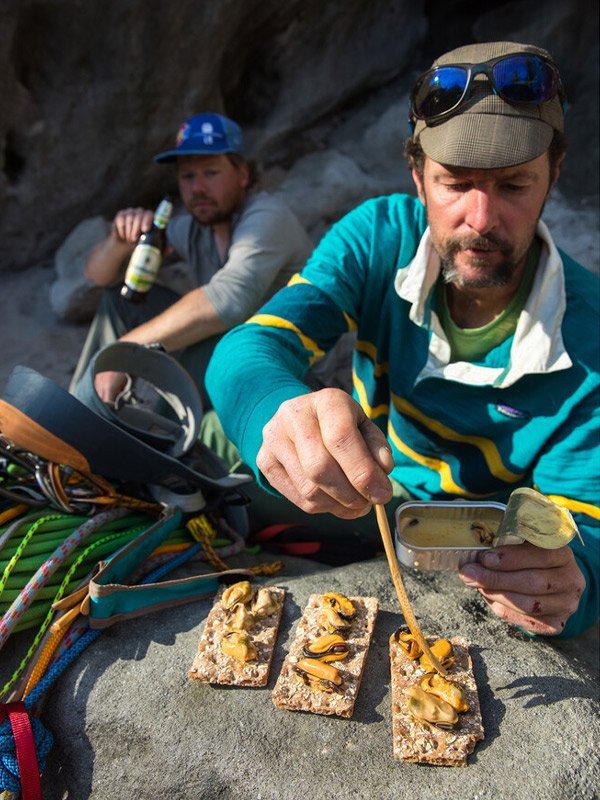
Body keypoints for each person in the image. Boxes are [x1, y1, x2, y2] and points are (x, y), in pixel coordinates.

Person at [205, 41, 599, 638]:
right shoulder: (377, 237)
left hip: (469, 552)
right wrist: (277, 410)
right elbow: (249, 349)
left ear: (553, 176)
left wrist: (571, 585)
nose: (481, 217)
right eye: (454, 183)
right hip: (363, 495)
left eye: (514, 185)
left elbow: (584, 531)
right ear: (418, 178)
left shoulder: (591, 342)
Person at [69, 112, 314, 408]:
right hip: (236, 350)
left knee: (210, 344)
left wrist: (125, 351)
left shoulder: (267, 217)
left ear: (243, 175)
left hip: (289, 373)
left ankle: (148, 436)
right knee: (118, 302)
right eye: (188, 176)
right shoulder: (196, 229)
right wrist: (120, 241)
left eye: (210, 173)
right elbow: (97, 276)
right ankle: (75, 418)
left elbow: (230, 300)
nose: (197, 188)